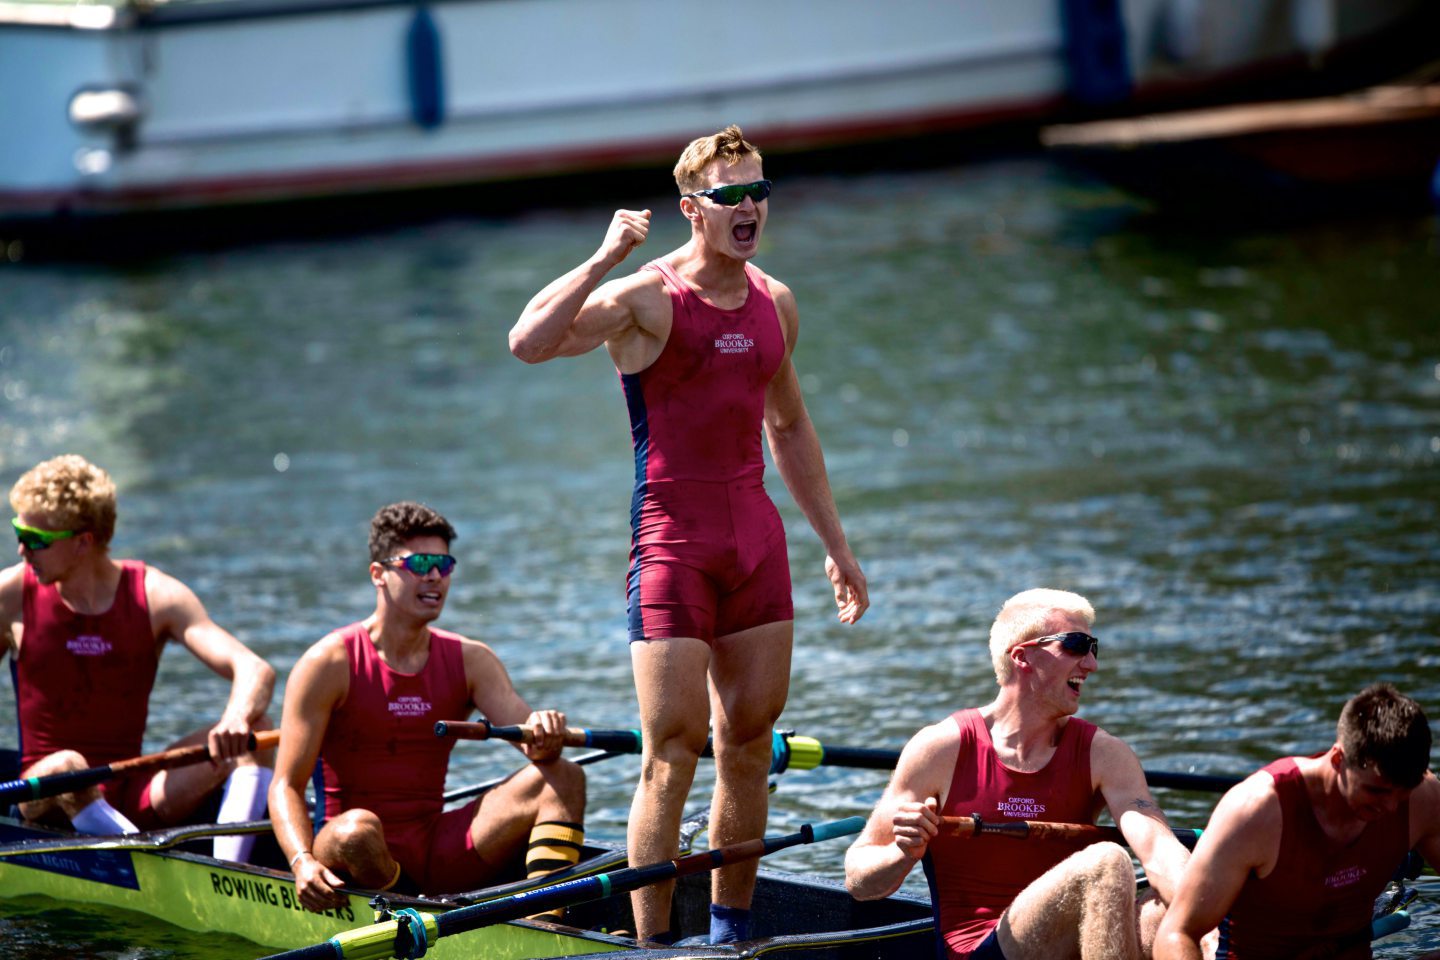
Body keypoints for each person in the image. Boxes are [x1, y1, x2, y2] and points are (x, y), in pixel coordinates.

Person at [508, 123, 869, 945]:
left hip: (757, 543)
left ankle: (731, 930)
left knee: (747, 744)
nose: (749, 209)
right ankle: (653, 942)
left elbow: (792, 426)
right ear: (692, 210)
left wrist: (838, 548)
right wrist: (602, 258)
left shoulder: (777, 302)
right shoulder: (645, 298)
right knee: (669, 749)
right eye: (730, 195)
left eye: (759, 192)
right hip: (672, 543)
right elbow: (527, 343)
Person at [268, 501, 586, 911]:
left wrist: (544, 730)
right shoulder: (327, 664)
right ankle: (409, 911)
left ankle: (549, 925)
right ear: (378, 575)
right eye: (420, 563)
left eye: (444, 564)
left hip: (435, 846)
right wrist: (302, 862)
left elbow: (537, 748)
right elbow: (285, 785)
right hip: (348, 849)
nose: (435, 575)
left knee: (563, 777)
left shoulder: (471, 660)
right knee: (357, 832)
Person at [845, 588, 1191, 960]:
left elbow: (1158, 849)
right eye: (1076, 645)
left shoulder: (1106, 754)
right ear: (1022, 656)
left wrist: (1213, 888)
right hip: (981, 949)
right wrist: (902, 852)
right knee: (1107, 862)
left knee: (1172, 905)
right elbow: (859, 880)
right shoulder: (941, 748)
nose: (1091, 664)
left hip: (1073, 939)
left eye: (1094, 648)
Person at [0, 454, 276, 861]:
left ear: (83, 542)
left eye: (35, 538)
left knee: (256, 730)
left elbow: (254, 668)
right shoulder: (10, 597)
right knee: (68, 766)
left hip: (132, 789)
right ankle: (146, 862)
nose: (22, 548)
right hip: (43, 797)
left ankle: (225, 873)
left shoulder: (156, 596)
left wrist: (235, 719)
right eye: (18, 532)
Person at [1154, 683, 1440, 960]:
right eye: (1376, 791)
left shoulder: (1423, 798)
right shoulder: (1256, 812)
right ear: (1338, 759)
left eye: (1404, 793)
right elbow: (1176, 934)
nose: (1391, 807)